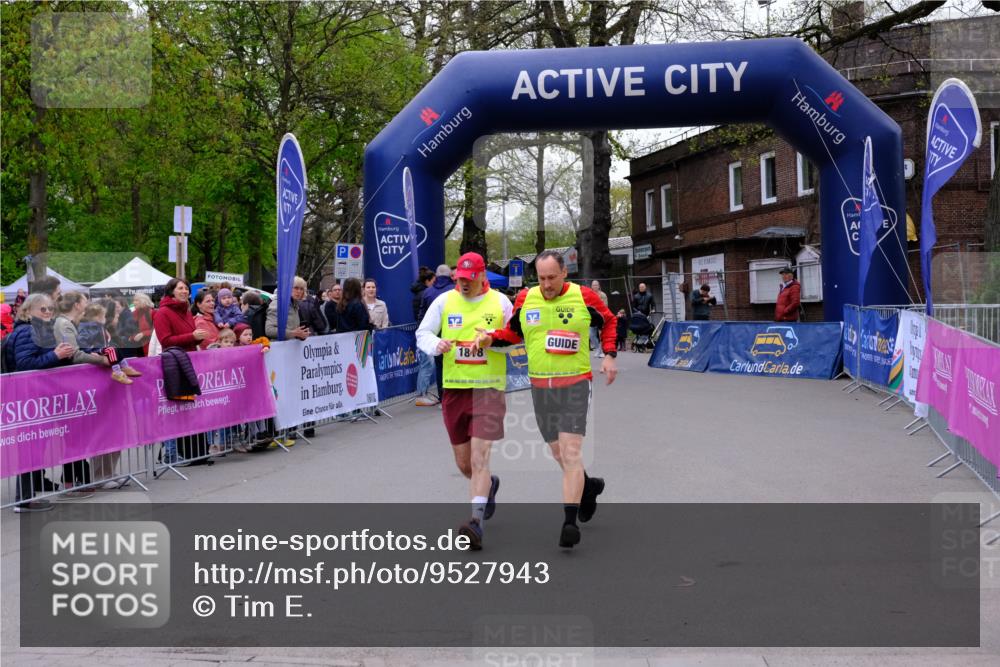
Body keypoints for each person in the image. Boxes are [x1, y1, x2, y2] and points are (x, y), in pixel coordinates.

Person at [475, 250, 617, 549]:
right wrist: (490, 338)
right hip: (540, 387)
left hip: (576, 383)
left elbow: (609, 322)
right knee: (558, 454)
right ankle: (588, 486)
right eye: (541, 278)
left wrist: (609, 354)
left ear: (565, 272)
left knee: (571, 452)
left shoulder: (584, 296)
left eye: (552, 277)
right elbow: (513, 334)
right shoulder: (526, 298)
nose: (547, 284)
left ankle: (569, 522)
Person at [416, 252, 512, 550]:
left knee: (479, 458)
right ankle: (488, 486)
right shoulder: (444, 301)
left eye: (469, 279)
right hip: (455, 389)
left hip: (488, 389)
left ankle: (475, 522)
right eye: (460, 279)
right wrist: (437, 344)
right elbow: (423, 332)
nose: (464, 284)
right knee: (464, 463)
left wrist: (493, 340)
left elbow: (517, 338)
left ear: (482, 276)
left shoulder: (500, 302)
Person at [8, 293, 76, 511]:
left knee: (35, 448)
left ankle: (29, 496)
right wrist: (55, 355)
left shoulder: (38, 331)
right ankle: (25, 500)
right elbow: (25, 364)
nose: (48, 313)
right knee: (29, 448)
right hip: (29, 400)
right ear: (28, 312)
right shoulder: (28, 331)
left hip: (37, 399)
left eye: (50, 309)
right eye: (42, 309)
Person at [153, 278, 209, 465]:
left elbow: (189, 338)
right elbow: (166, 340)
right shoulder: (162, 313)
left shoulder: (185, 310)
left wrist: (197, 339)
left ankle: (199, 452)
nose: (185, 291)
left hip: (190, 361)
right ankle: (184, 453)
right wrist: (191, 336)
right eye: (180, 288)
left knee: (193, 408)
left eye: (186, 288)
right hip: (175, 364)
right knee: (180, 409)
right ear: (171, 292)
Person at [419, 265, 456, 400]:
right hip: (453, 334)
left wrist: (425, 334)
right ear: (450, 275)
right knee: (455, 364)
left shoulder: (428, 292)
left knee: (439, 366)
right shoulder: (454, 291)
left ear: (436, 275)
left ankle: (442, 397)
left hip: (435, 337)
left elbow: (422, 315)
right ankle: (455, 396)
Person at [413, 268, 438, 407]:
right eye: (434, 281)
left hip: (424, 331)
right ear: (428, 281)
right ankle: (421, 394)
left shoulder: (422, 293)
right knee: (426, 364)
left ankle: (424, 392)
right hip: (424, 332)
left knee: (427, 363)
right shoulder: (424, 294)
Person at [265, 276, 311, 341]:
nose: (299, 291)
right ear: (288, 288)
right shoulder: (278, 304)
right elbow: (269, 330)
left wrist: (301, 334)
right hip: (279, 348)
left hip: (291, 348)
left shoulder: (295, 304)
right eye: (296, 288)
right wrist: (293, 333)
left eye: (301, 289)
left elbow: (292, 329)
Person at [589, 280, 609, 357]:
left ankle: (602, 351)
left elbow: (605, 306)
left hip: (601, 317)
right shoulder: (589, 294)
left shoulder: (603, 295)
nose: (595, 286)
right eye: (593, 285)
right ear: (591, 286)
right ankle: (598, 349)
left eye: (596, 285)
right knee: (591, 335)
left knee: (601, 335)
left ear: (599, 286)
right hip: (592, 318)